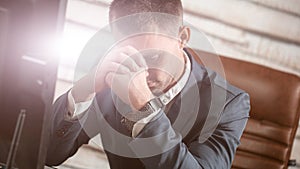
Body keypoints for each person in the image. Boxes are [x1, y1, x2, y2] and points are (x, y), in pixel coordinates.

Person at [46, 0, 250, 168]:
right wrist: (83, 90)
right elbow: (49, 154)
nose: (140, 71)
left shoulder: (227, 104)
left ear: (182, 37)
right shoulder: (113, 73)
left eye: (153, 56)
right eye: (131, 55)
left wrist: (145, 109)